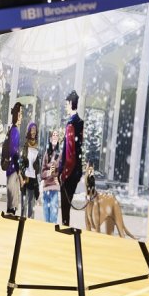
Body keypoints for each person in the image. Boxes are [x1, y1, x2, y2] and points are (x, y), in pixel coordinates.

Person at [58, 90, 84, 226]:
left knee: (65, 208)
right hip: (77, 171)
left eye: (66, 104)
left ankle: (65, 227)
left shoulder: (70, 125)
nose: (65, 107)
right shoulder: (81, 123)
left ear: (70, 103)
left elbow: (70, 156)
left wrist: (63, 174)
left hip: (70, 173)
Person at [5, 102, 22, 216]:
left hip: (9, 168)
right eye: (20, 114)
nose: (21, 117)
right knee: (13, 200)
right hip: (13, 169)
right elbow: (14, 152)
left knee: (11, 199)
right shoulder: (15, 131)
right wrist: (18, 169)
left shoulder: (11, 130)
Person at [20, 122, 40, 218]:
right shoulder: (25, 144)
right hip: (25, 177)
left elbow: (38, 164)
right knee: (24, 202)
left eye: (35, 130)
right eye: (32, 129)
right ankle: (22, 219)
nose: (33, 132)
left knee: (31, 204)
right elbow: (22, 161)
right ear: (29, 131)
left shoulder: (37, 145)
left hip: (33, 178)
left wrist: (37, 166)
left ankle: (30, 221)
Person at [41, 128, 61, 223]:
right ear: (50, 138)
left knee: (53, 212)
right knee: (46, 212)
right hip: (46, 188)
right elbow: (42, 173)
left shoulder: (60, 155)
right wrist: (48, 173)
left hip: (54, 188)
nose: (55, 137)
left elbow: (60, 171)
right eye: (53, 135)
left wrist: (55, 173)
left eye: (57, 135)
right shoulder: (46, 154)